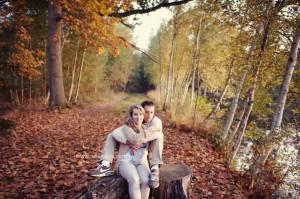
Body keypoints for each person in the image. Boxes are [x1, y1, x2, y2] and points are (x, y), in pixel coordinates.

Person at [89, 101, 164, 189]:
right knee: (111, 136)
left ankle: (155, 169)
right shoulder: (137, 117)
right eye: (146, 112)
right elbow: (120, 130)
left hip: (149, 149)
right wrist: (127, 141)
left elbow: (156, 132)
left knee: (159, 137)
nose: (149, 115)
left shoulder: (155, 121)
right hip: (132, 150)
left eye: (152, 112)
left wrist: (141, 140)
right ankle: (105, 164)